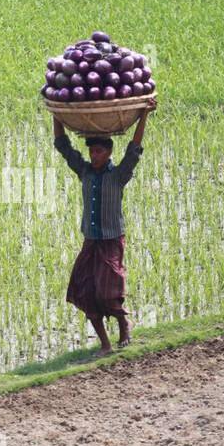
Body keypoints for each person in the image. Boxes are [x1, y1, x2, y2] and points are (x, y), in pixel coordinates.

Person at [52, 110, 151, 355]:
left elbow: (135, 149)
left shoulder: (119, 175)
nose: (93, 156)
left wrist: (143, 116)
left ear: (108, 153)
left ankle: (123, 324)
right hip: (91, 241)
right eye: (91, 152)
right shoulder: (84, 172)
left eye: (98, 152)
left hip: (112, 240)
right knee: (85, 292)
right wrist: (56, 114)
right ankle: (106, 344)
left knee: (109, 293)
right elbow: (63, 146)